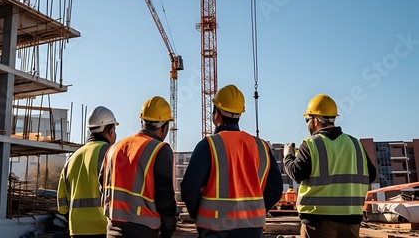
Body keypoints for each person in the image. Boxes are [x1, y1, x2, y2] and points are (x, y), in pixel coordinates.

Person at [181, 84, 283, 238]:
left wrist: (200, 215)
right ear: (240, 114)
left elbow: (189, 188)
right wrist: (257, 211)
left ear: (217, 114)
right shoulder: (261, 147)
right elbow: (275, 188)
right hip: (252, 230)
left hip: (214, 229)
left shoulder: (208, 145)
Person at [283, 94, 377, 238]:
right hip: (351, 221)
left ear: (315, 120)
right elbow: (371, 175)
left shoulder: (311, 144)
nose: (307, 123)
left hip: (318, 222)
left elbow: (297, 173)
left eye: (307, 119)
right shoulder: (355, 144)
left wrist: (288, 157)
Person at [99, 96, 176, 238]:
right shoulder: (160, 149)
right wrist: (168, 229)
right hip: (144, 231)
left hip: (112, 229)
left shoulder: (114, 148)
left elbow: (102, 186)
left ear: (142, 122)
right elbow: (164, 196)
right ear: (165, 126)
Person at [57, 106, 119, 238]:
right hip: (104, 229)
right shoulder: (111, 154)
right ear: (111, 131)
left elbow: (62, 204)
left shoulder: (72, 158)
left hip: (76, 230)